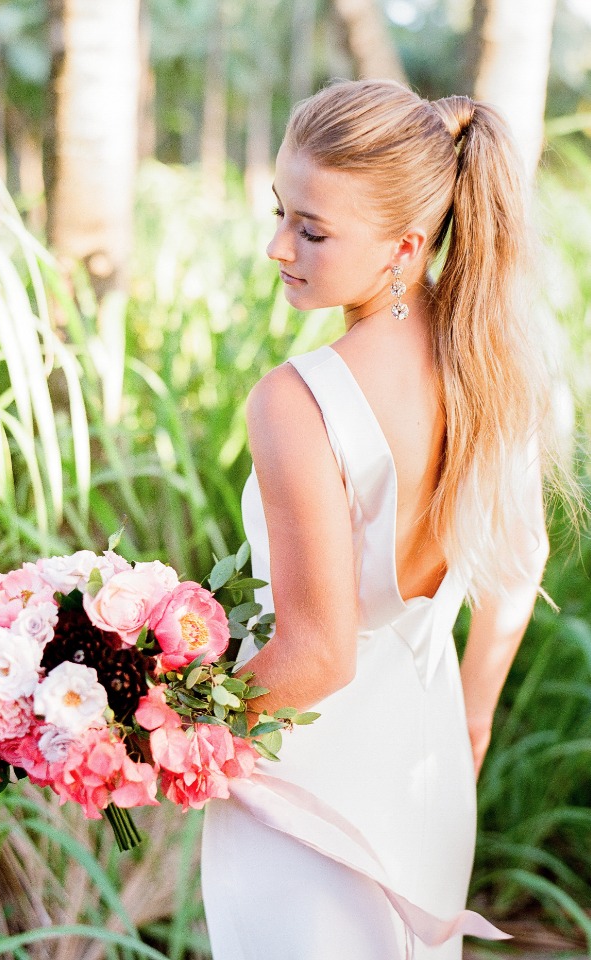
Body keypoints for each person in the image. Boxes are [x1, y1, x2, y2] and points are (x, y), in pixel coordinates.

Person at [201, 78, 552, 960]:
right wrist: (467, 732)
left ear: (404, 244)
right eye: (279, 211)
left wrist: (161, 737)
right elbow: (517, 573)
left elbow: (318, 657)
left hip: (306, 792)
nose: (278, 247)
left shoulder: (297, 402)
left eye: (312, 230)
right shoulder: (494, 364)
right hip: (423, 776)